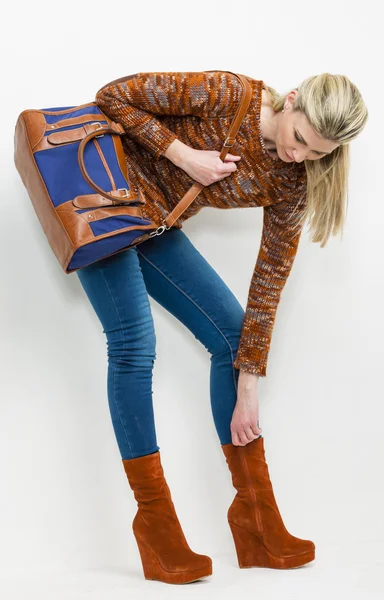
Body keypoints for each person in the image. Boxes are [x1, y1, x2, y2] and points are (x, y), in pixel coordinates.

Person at [75, 71, 368, 584]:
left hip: (156, 220)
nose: (300, 156)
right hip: (103, 194)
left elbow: (270, 280)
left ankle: (256, 521)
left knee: (233, 336)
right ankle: (157, 527)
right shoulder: (228, 94)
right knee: (134, 343)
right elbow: (111, 97)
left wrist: (249, 384)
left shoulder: (293, 179)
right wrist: (185, 156)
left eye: (317, 153)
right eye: (299, 138)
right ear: (292, 100)